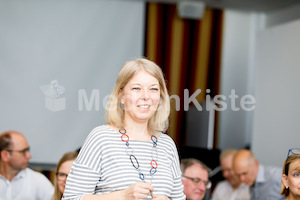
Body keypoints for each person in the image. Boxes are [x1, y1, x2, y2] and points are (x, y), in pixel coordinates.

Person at [63, 58, 185, 200]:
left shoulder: (167, 145)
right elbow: (71, 197)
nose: (146, 96)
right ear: (121, 96)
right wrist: (122, 196)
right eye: (136, 88)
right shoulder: (101, 138)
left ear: (161, 97)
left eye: (153, 89)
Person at [0, 131, 54, 200]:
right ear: (5, 155)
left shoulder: (38, 181)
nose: (29, 156)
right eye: (23, 152)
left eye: (28, 150)